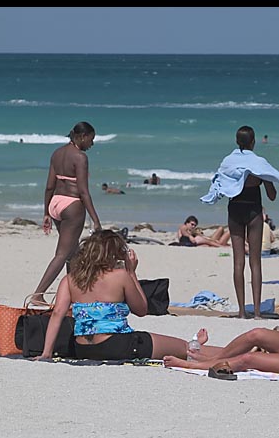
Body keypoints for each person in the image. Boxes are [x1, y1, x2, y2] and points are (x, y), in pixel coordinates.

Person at [34, 229, 221, 361]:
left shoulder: (70, 279)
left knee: (178, 346)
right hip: (117, 344)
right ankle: (223, 352)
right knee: (184, 348)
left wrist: (46, 353)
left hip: (83, 348)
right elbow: (141, 310)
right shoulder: (120, 276)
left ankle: (205, 347)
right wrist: (131, 272)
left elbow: (57, 314)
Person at [200, 125, 279, 319]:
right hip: (253, 211)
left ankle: (242, 312)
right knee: (255, 262)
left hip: (235, 210)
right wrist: (266, 178)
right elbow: (272, 196)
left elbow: (221, 185)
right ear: (253, 142)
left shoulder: (228, 162)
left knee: (238, 261)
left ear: (236, 142)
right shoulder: (259, 164)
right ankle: (257, 312)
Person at [30, 121, 102, 307]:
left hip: (55, 203)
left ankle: (73, 295)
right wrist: (95, 220)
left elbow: (49, 186)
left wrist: (46, 212)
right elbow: (83, 192)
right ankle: (38, 294)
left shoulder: (57, 153)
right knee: (62, 254)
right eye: (91, 139)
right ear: (82, 137)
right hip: (72, 205)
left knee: (73, 252)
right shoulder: (80, 157)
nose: (92, 144)